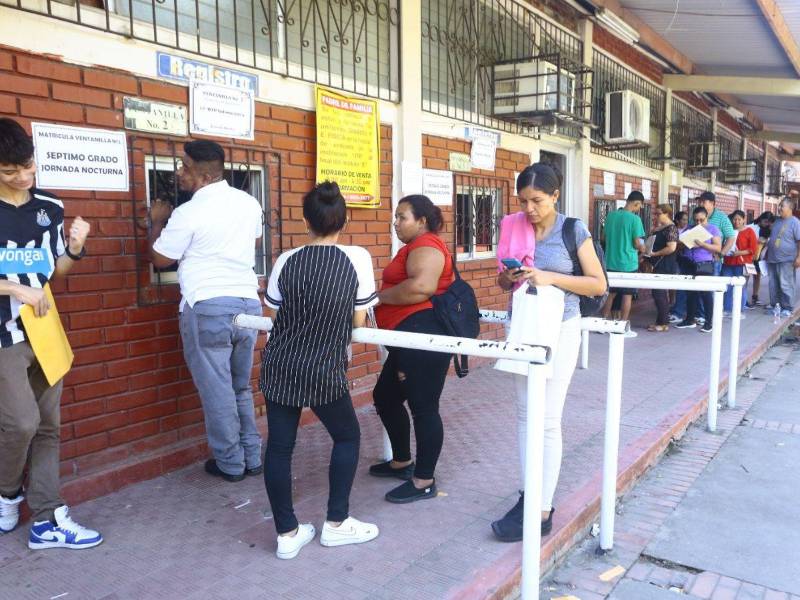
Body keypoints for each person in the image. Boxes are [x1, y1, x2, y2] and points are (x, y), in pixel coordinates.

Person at [261, 181, 379, 559]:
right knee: (346, 437)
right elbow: (357, 318)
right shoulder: (357, 258)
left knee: (279, 448)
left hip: (280, 363)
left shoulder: (285, 260)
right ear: (343, 219)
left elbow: (277, 313)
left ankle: (287, 534)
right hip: (324, 367)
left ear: (305, 219)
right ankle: (337, 523)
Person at [0, 117, 102, 549]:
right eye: (10, 171)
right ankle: (6, 493)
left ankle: (46, 519)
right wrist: (12, 286)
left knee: (48, 425)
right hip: (3, 336)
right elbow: (25, 283)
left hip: (43, 329)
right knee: (21, 423)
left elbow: (53, 272)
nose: (24, 177)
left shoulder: (49, 205)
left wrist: (75, 248)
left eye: (28, 166)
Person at [491, 163, 606, 542]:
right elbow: (502, 280)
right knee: (525, 415)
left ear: (555, 195)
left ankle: (542, 508)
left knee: (548, 418)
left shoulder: (572, 229)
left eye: (537, 201)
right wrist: (508, 277)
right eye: (523, 201)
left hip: (561, 328)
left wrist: (550, 276)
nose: (529, 209)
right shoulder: (513, 226)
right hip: (524, 324)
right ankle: (529, 494)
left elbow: (597, 284)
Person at [149, 140, 264, 482]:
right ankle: (252, 456)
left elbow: (160, 258)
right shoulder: (248, 202)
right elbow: (255, 241)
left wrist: (157, 221)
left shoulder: (187, 213)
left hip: (209, 306)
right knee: (240, 387)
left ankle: (230, 463)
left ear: (201, 175)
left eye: (183, 168)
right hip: (247, 303)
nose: (179, 173)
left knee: (218, 391)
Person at [370, 195, 454, 504]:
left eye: (401, 217)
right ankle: (402, 462)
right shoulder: (414, 247)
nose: (395, 223)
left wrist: (378, 298)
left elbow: (422, 287)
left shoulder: (426, 245)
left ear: (422, 220)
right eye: (395, 217)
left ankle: (424, 481)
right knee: (386, 396)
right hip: (408, 337)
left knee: (423, 406)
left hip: (423, 337)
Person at [601, 191, 645, 335]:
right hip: (628, 263)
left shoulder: (611, 216)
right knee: (627, 295)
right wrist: (644, 248)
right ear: (636, 203)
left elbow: (603, 237)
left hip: (610, 261)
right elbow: (637, 242)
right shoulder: (635, 220)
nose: (639, 209)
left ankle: (603, 323)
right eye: (640, 206)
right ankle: (623, 327)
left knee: (610, 294)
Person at [675, 207, 722, 332]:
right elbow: (678, 245)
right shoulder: (689, 228)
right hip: (688, 262)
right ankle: (690, 319)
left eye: (701, 220)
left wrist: (702, 244)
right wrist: (685, 243)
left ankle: (708, 322)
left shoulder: (713, 229)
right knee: (690, 293)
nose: (698, 223)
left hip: (704, 264)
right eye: (696, 220)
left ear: (707, 218)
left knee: (706, 293)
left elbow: (718, 248)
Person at [645, 204, 679, 332]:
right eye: (655, 213)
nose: (656, 216)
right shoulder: (660, 228)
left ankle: (664, 323)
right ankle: (659, 321)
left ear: (667, 214)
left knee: (660, 294)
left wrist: (655, 254)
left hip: (665, 263)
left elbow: (671, 247)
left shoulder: (671, 228)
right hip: (657, 263)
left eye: (659, 213)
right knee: (657, 293)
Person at [765, 198, 800, 317]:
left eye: (782, 206)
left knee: (786, 284)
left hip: (787, 260)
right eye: (779, 205)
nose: (779, 208)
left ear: (790, 208)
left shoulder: (795, 222)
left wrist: (799, 258)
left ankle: (788, 307)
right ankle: (776, 306)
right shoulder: (777, 221)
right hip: (772, 258)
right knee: (773, 284)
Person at [722, 210, 757, 317]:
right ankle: (727, 310)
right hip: (728, 262)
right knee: (727, 286)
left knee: (741, 287)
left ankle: (739, 311)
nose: (736, 221)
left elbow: (752, 249)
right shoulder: (729, 231)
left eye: (739, 219)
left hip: (742, 263)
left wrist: (738, 253)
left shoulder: (749, 231)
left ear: (743, 220)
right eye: (734, 219)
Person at [698, 191, 736, 274]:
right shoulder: (696, 215)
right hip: (696, 259)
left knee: (712, 285)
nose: (700, 204)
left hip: (713, 259)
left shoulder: (722, 217)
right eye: (699, 202)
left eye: (703, 202)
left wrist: (721, 254)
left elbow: (731, 237)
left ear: (712, 203)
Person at [745, 211, 774, 308]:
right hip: (749, 256)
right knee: (747, 276)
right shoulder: (750, 227)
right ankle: (743, 299)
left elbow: (770, 241)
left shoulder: (769, 229)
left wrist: (766, 241)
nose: (766, 224)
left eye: (768, 222)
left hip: (759, 257)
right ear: (761, 219)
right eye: (765, 221)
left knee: (757, 276)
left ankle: (755, 296)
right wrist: (756, 240)